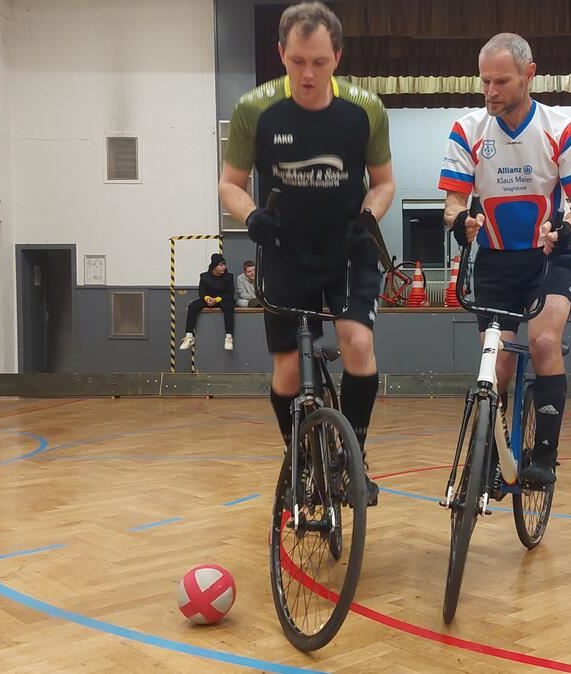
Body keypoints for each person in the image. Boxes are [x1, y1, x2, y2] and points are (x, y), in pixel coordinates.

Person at [217, 1, 395, 504]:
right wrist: (250, 215)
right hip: (284, 249)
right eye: (297, 62)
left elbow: (384, 184)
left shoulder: (365, 110)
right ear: (281, 54)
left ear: (336, 56)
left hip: (347, 246)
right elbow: (230, 184)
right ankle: (297, 456)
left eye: (319, 61)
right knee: (289, 371)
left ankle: (352, 460)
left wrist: (368, 215)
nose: (308, 73)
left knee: (357, 344)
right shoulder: (255, 109)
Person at [439, 33, 571, 486]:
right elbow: (453, 204)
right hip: (494, 262)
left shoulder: (561, 128)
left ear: (529, 75)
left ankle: (545, 454)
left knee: (545, 343)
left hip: (548, 257)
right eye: (484, 81)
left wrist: (567, 228)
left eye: (501, 82)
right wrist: (460, 222)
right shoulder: (467, 129)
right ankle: (491, 455)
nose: (490, 91)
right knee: (499, 363)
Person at [179, 253, 236, 351]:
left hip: (223, 299)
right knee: (193, 306)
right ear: (214, 266)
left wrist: (217, 299)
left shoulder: (228, 276)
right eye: (221, 265)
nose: (224, 267)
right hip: (208, 299)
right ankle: (189, 336)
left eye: (224, 265)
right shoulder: (205, 276)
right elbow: (202, 291)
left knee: (228, 307)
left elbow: (230, 293)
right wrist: (207, 298)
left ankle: (229, 337)